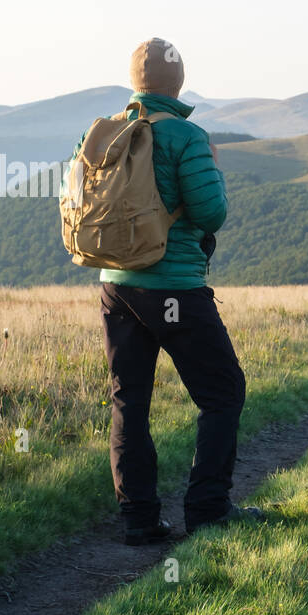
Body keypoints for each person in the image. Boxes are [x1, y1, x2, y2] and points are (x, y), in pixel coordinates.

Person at [73, 37, 260, 545]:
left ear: (136, 82)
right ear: (177, 82)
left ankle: (139, 520)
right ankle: (208, 509)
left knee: (129, 401)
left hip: (115, 286)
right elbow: (210, 213)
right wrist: (213, 165)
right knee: (222, 393)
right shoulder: (186, 136)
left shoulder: (102, 133)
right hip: (174, 285)